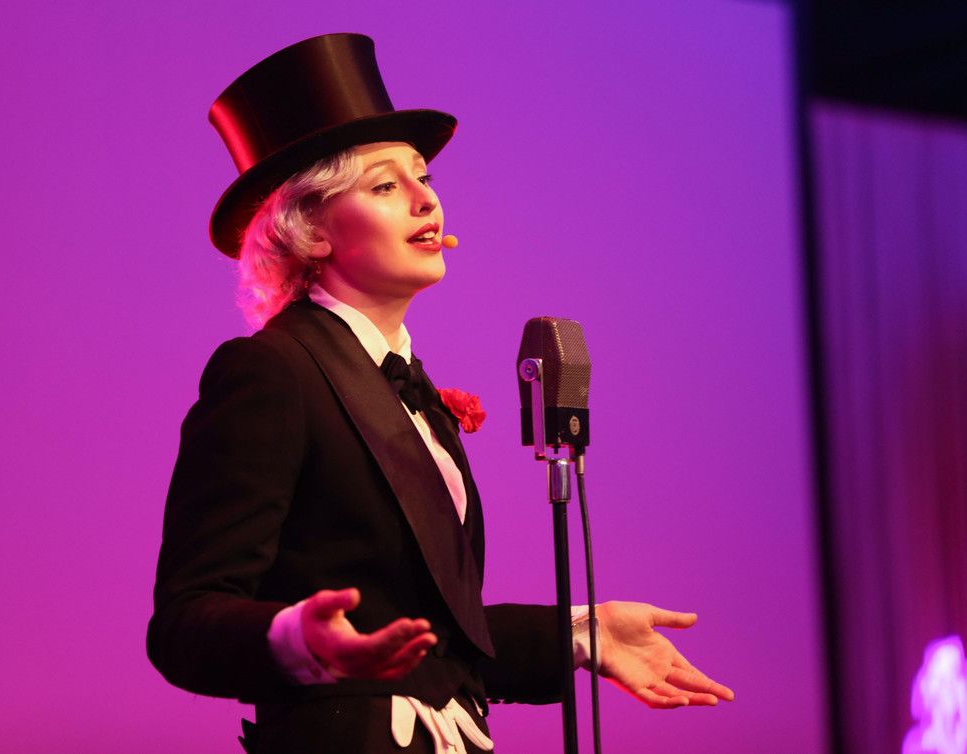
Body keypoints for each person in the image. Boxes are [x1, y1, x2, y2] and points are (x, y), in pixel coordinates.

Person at [147, 33, 733, 754]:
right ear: (311, 231)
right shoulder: (271, 371)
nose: (427, 199)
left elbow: (436, 645)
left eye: (423, 178)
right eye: (384, 186)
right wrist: (300, 640)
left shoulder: (407, 388)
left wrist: (583, 634)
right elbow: (185, 622)